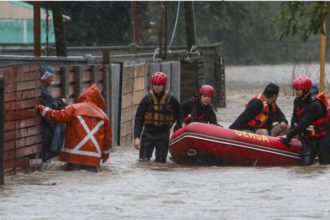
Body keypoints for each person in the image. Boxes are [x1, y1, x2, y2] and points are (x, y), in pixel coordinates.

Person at [36, 83, 112, 172]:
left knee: (72, 176)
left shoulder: (74, 108)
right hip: (93, 160)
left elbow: (57, 116)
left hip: (73, 157)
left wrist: (42, 109)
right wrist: (105, 156)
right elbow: (107, 140)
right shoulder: (104, 116)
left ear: (84, 96)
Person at [279, 76, 330, 165]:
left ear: (306, 90)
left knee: (324, 165)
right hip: (308, 139)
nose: (296, 91)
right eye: (295, 89)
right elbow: (294, 119)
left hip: (323, 139)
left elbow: (304, 123)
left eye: (298, 89)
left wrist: (288, 136)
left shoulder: (315, 104)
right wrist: (291, 134)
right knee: (305, 166)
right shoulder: (297, 101)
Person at [134, 72, 183, 163]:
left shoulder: (172, 100)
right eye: (154, 85)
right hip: (148, 133)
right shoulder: (146, 99)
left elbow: (180, 116)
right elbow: (139, 119)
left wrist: (177, 132)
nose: (156, 87)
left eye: (159, 85)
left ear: (164, 85)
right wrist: (137, 137)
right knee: (143, 162)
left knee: (161, 164)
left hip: (163, 134)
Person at [39, 64, 65, 162]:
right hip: (45, 127)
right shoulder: (43, 91)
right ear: (44, 76)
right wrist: (59, 106)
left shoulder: (42, 90)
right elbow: (51, 108)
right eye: (50, 77)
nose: (52, 79)